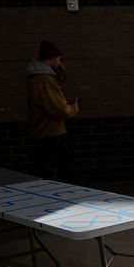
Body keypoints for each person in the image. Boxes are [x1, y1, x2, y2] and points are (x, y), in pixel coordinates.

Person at [25, 40, 83, 183]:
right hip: (49, 130)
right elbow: (59, 109)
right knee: (46, 169)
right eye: (58, 59)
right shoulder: (44, 80)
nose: (60, 63)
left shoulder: (41, 78)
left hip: (49, 129)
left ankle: (78, 188)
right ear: (50, 58)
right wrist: (74, 107)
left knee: (62, 167)